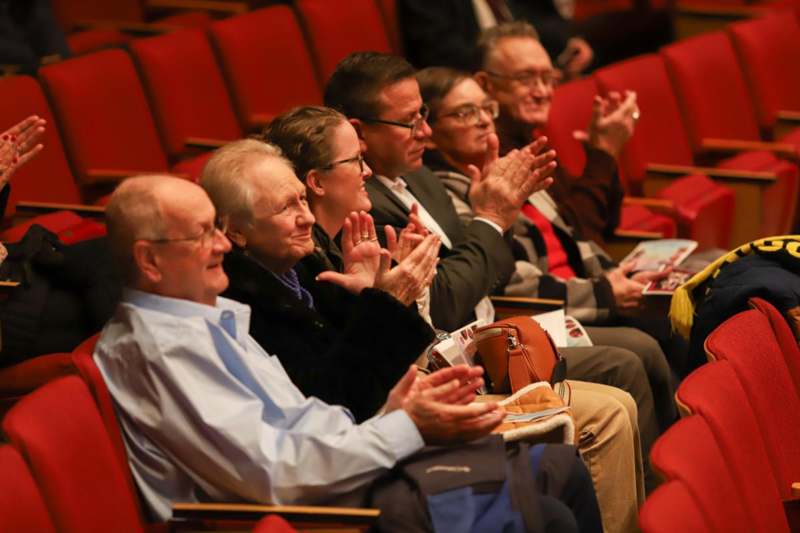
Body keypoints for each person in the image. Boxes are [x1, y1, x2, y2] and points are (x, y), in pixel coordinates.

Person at [94, 175, 602, 531]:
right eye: (202, 234)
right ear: (149, 260)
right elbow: (275, 476)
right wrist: (408, 427)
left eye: (216, 228)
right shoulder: (160, 350)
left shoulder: (203, 315)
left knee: (560, 466)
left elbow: (299, 418)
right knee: (550, 514)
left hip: (337, 478)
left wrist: (393, 412)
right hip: (314, 516)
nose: (223, 245)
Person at [261, 106, 647, 533]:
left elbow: (408, 336)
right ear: (317, 181)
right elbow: (354, 389)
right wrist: (389, 298)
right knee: (608, 411)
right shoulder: (309, 263)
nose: (366, 170)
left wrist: (397, 296)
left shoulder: (382, 214)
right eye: (355, 160)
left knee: (617, 395)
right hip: (396, 417)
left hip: (435, 374)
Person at [324, 50, 673, 492]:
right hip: (458, 360)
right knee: (628, 361)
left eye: (424, 116)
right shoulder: (363, 207)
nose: (424, 132)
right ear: (360, 133)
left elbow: (492, 268)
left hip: (496, 329)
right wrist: (491, 219)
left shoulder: (418, 178)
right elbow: (447, 300)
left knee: (648, 339)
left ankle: (673, 490)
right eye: (410, 122)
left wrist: (494, 220)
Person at [201, 138, 438, 422]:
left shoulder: (305, 268)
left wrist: (368, 293)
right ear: (236, 231)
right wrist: (388, 303)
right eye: (285, 208)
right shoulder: (237, 305)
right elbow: (331, 404)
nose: (308, 218)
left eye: (303, 199)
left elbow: (384, 365)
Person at [474, 21, 637, 247]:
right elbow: (577, 242)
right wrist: (603, 153)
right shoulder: (491, 155)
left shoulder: (530, 139)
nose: (542, 92)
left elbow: (606, 224)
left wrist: (601, 154)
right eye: (525, 78)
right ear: (485, 84)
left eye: (548, 78)